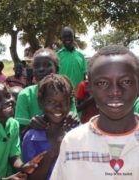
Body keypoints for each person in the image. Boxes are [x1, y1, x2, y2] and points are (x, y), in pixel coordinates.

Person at [51, 45, 139, 180]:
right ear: (89, 88)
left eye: (126, 81)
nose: (115, 91)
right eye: (103, 83)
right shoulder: (73, 143)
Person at [22, 74, 79, 180]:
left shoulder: (78, 132)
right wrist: (53, 151)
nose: (58, 107)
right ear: (41, 102)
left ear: (70, 103)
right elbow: (31, 177)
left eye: (64, 102)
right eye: (51, 101)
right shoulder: (31, 137)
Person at [15, 48, 78, 127]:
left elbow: (72, 120)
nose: (41, 69)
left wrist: (72, 118)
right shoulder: (25, 95)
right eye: (36, 66)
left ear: (57, 69)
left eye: (47, 65)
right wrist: (30, 126)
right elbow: (20, 131)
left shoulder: (65, 92)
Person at [58, 26, 87, 91]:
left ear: (73, 38)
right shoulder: (57, 56)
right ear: (61, 39)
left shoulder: (81, 55)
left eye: (70, 36)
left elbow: (84, 76)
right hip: (63, 94)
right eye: (65, 37)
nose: (67, 39)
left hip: (79, 95)